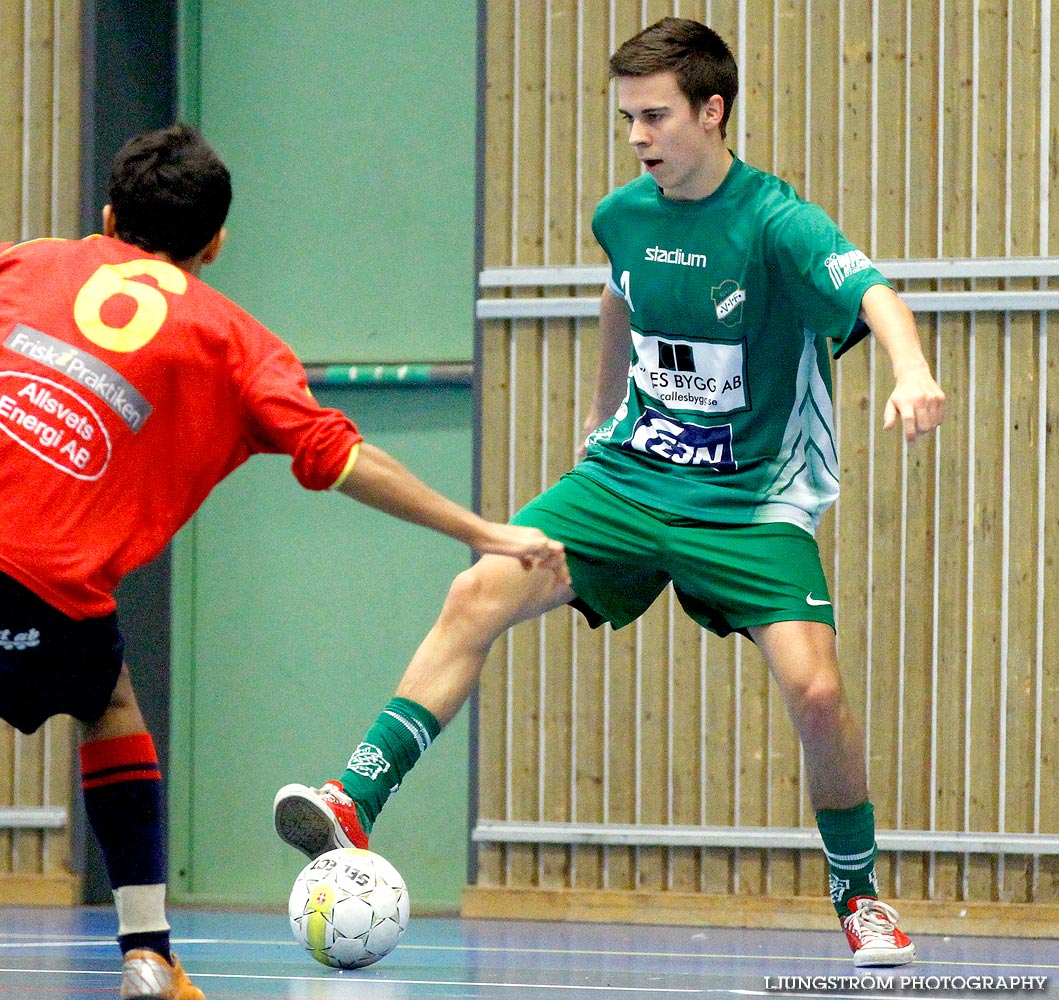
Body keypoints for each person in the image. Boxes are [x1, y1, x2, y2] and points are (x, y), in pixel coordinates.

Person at [0, 123, 567, 1000]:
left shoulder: (21, 262)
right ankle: (148, 954)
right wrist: (480, 529)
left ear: (106, 214)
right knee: (108, 706)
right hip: (49, 586)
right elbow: (337, 458)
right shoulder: (235, 342)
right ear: (215, 242)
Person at [274, 17, 945, 969]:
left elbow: (872, 291)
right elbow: (619, 295)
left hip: (749, 501)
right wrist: (598, 420)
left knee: (818, 690)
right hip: (625, 478)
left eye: (655, 116)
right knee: (477, 590)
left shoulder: (775, 221)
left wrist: (909, 370)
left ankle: (858, 896)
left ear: (712, 113)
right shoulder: (622, 215)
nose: (637, 134)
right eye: (627, 116)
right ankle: (356, 797)